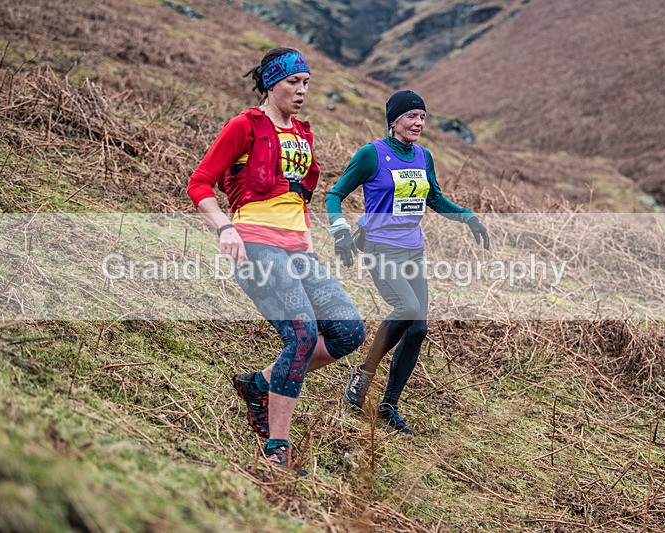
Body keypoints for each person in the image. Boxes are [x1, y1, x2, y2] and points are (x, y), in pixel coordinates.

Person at [187, 48, 365, 469]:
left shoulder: (303, 133)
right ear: (271, 82)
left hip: (298, 250)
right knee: (302, 335)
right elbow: (200, 183)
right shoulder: (244, 126)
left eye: (306, 83)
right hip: (256, 246)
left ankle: (260, 384)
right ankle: (277, 450)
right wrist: (224, 227)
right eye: (293, 82)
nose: (302, 91)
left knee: (348, 332)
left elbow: (294, 197)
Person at [325, 89, 489, 434]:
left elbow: (436, 198)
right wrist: (340, 231)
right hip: (380, 247)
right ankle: (364, 374)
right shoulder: (372, 154)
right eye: (412, 116)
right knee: (408, 307)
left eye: (423, 117)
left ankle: (388, 406)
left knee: (418, 328)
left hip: (412, 249)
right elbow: (335, 194)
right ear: (395, 121)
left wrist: (468, 217)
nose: (419, 122)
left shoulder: (423, 156)